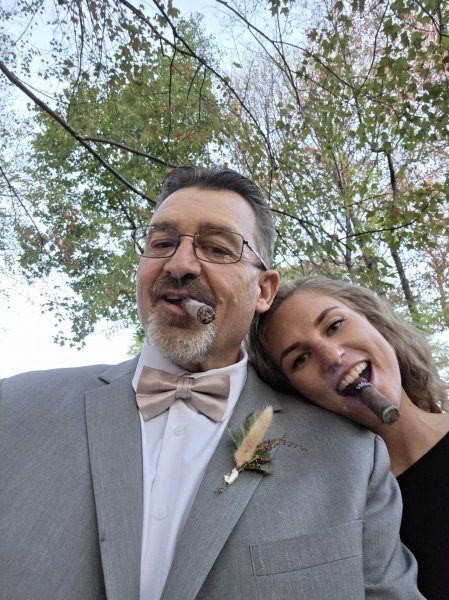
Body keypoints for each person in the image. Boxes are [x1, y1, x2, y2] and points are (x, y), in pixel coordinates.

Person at [0, 167, 424, 600]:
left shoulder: (351, 459)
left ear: (263, 290)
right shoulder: (12, 408)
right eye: (161, 243)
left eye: (217, 248)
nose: (179, 264)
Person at [248, 274, 449, 600]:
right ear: (299, 396)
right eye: (300, 359)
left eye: (334, 325)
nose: (331, 357)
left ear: (374, 321)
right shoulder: (347, 516)